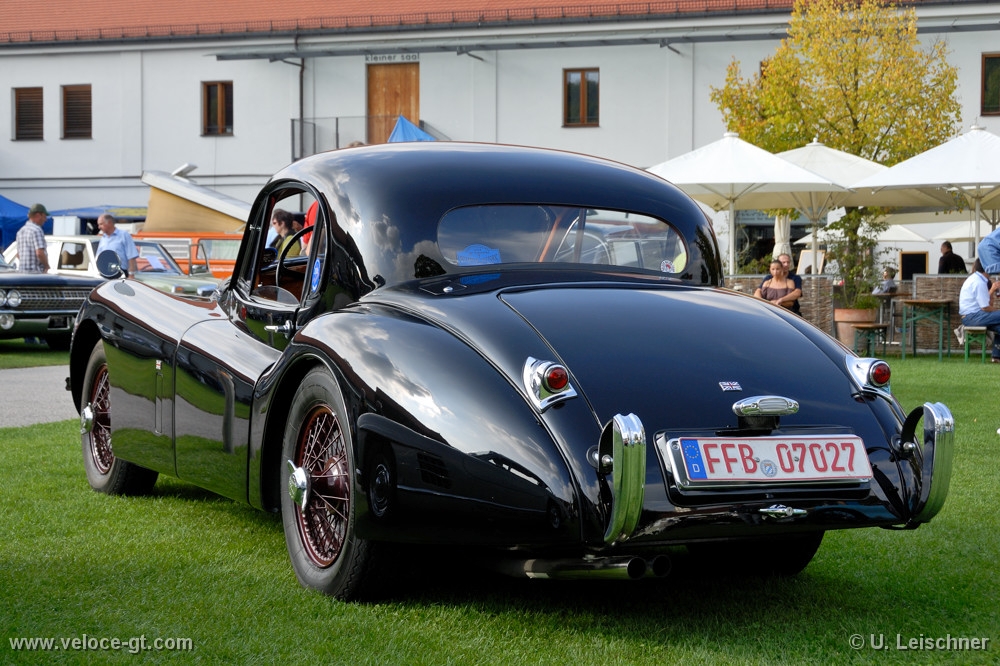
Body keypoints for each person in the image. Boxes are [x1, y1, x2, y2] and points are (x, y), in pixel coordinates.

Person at [959, 259, 1000, 363]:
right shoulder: (979, 282)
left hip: (972, 316)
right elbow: (985, 307)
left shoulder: (976, 279)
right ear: (987, 267)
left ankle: (996, 357)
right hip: (973, 317)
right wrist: (997, 311)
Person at [15, 203, 50, 273]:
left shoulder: (20, 231)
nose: (45, 220)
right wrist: (47, 266)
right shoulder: (37, 230)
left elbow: (18, 255)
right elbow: (39, 253)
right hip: (35, 273)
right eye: (44, 216)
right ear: (38, 215)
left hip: (22, 272)